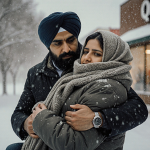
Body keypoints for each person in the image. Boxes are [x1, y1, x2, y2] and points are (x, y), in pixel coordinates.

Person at [6, 12, 148, 150]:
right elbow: (19, 112)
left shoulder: (92, 66)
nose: (66, 48)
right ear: (48, 46)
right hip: (46, 140)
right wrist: (25, 123)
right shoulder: (36, 74)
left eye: (70, 40)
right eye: (58, 43)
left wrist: (98, 119)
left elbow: (138, 109)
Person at [22, 30, 134, 150]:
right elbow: (20, 111)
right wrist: (33, 116)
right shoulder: (79, 78)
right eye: (86, 52)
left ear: (113, 57)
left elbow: (73, 144)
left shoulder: (108, 88)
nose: (87, 58)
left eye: (96, 54)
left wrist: (42, 117)